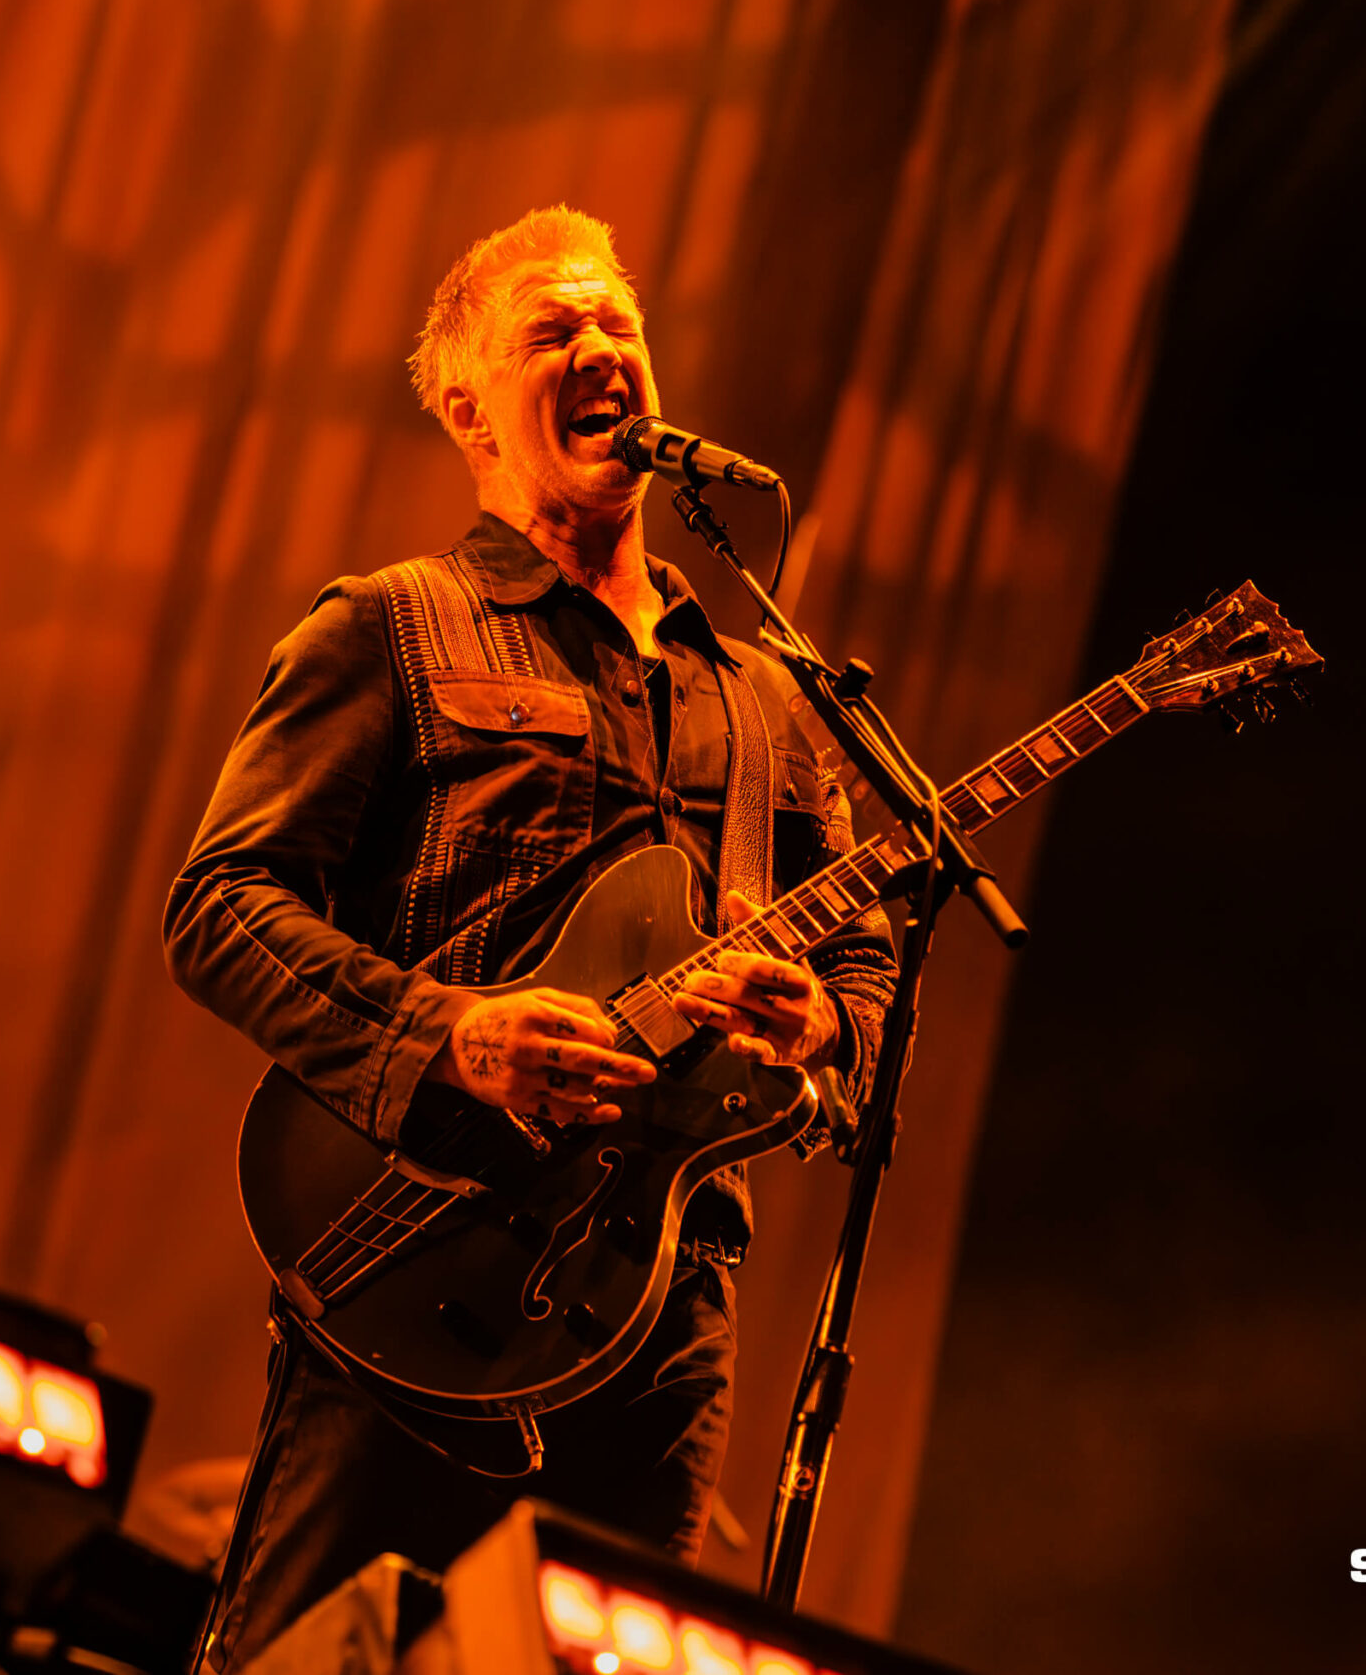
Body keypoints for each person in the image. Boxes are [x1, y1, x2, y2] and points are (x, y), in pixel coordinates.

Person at [162, 205, 896, 1670]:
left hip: (666, 1301)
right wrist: (451, 1035)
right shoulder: (394, 627)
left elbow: (869, 955)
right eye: (554, 330)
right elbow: (221, 907)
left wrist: (823, 1032)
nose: (601, 348)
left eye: (617, 323)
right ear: (467, 408)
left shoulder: (767, 697)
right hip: (421, 1258)